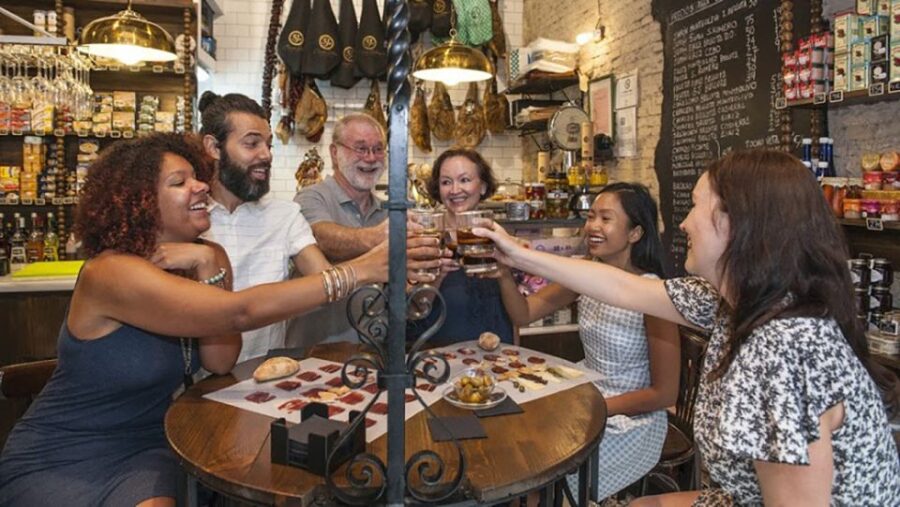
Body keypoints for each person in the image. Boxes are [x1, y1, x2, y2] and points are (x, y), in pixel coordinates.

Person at [0, 134, 429, 506]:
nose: (201, 185)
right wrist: (361, 269)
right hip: (65, 451)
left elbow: (221, 358)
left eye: (197, 176)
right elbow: (238, 312)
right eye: (179, 181)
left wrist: (209, 260)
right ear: (140, 201)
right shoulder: (110, 272)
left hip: (149, 444)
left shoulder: (204, 257)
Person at [478, 149, 900, 506]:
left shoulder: (783, 349)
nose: (682, 224)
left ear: (737, 223)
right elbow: (622, 288)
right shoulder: (735, 304)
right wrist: (518, 255)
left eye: (696, 206)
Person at [496, 183, 679, 500]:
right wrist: (503, 272)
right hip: (588, 393)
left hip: (634, 419)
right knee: (521, 448)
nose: (593, 226)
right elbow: (524, 313)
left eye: (606, 219)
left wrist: (594, 408)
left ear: (635, 233)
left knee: (544, 470)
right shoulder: (589, 275)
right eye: (591, 216)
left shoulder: (653, 295)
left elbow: (663, 394)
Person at [197, 91, 331, 362]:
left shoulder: (285, 216)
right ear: (213, 148)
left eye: (269, 145)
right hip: (190, 386)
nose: (266, 155)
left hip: (263, 381)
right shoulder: (188, 217)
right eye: (252, 144)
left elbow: (324, 282)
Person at [290, 113, 391, 344]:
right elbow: (323, 238)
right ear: (335, 153)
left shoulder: (385, 212)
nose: (371, 158)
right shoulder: (311, 198)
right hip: (316, 353)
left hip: (374, 350)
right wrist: (383, 236)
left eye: (378, 149)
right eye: (361, 148)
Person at [410, 148, 514, 346]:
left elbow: (512, 313)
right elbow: (414, 312)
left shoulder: (497, 236)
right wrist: (437, 276)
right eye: (446, 182)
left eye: (464, 180)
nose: (455, 190)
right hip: (443, 357)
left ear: (483, 186)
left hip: (497, 356)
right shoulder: (426, 238)